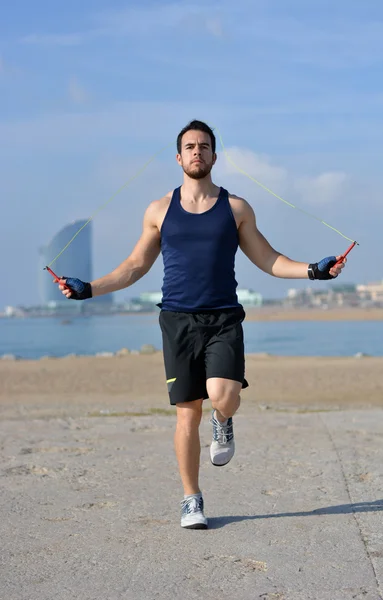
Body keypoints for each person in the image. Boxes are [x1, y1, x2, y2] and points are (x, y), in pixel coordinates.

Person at [56, 120, 346, 530]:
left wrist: (315, 271)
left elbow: (269, 259)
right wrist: (89, 289)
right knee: (186, 415)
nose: (197, 152)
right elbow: (134, 266)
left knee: (223, 397)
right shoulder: (159, 211)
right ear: (179, 157)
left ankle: (224, 421)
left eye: (204, 146)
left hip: (224, 317)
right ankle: (192, 499)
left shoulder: (236, 208)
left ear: (214, 155)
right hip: (176, 320)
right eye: (189, 147)